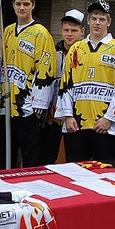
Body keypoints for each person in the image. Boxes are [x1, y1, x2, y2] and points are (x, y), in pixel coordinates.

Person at [55, 0, 115, 162]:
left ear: (109, 22)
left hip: (105, 127)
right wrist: (68, 116)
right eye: (94, 18)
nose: (97, 22)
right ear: (88, 20)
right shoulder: (76, 48)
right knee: (75, 176)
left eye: (102, 19)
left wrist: (109, 118)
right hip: (76, 126)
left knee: (104, 177)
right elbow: (65, 85)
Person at [0, 0, 56, 169]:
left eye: (26, 4)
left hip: (27, 108)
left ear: (33, 5)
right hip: (7, 106)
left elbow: (46, 69)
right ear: (13, 5)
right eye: (19, 3)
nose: (22, 8)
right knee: (3, 156)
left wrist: (37, 105)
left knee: (30, 158)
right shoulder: (7, 31)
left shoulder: (41, 33)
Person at [40, 9, 84, 165]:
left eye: (74, 30)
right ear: (61, 30)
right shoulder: (53, 52)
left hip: (76, 117)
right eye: (66, 30)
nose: (69, 34)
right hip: (52, 118)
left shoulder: (86, 54)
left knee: (73, 161)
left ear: (82, 31)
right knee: (47, 159)